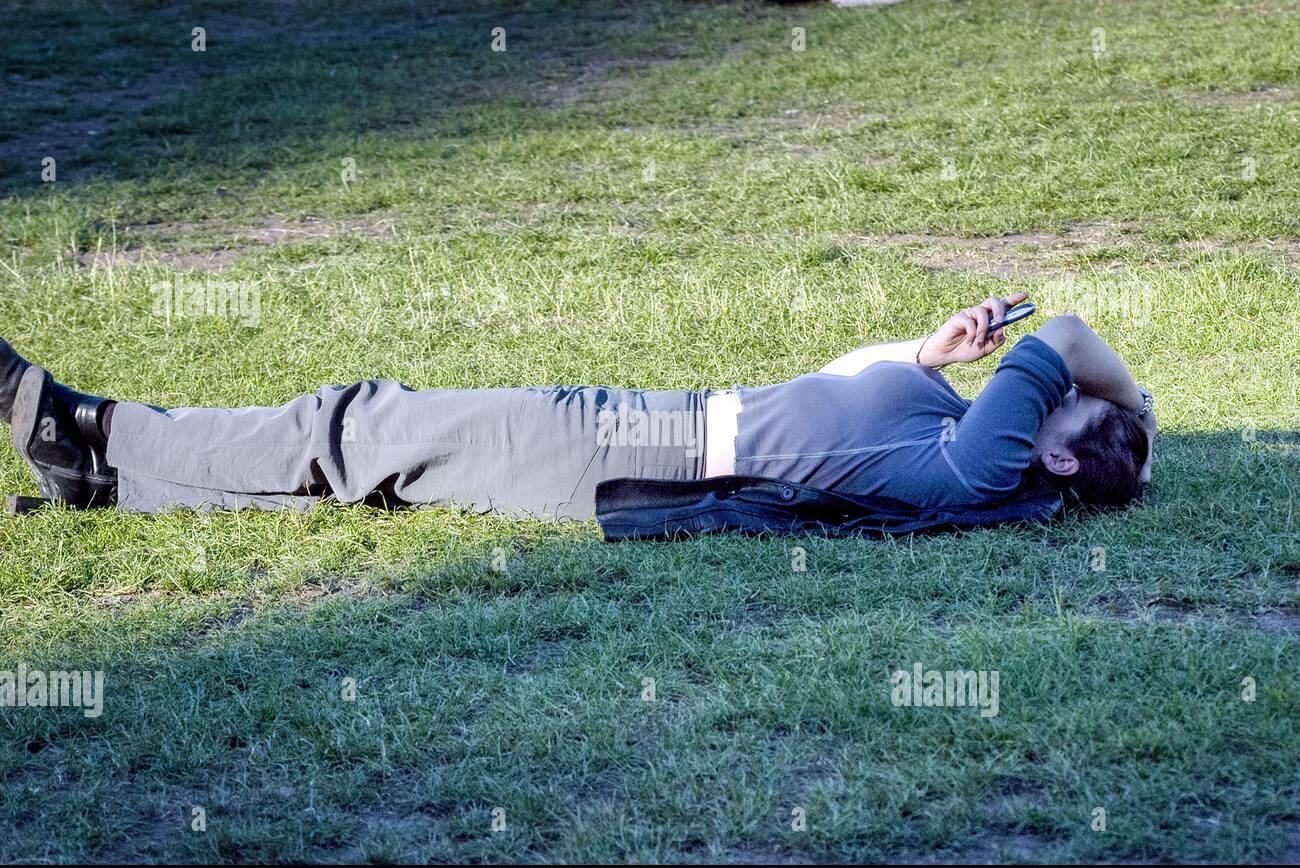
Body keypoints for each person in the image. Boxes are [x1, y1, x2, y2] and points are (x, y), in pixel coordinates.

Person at [0, 292, 1154, 519]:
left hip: (627, 450)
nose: (1021, 395)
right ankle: (105, 473)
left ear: (1049, 461)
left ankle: (85, 428)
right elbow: (829, 398)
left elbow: (1057, 338)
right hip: (634, 420)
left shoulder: (977, 469)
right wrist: (920, 350)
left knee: (352, 427)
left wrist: (1135, 407)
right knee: (364, 453)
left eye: (1045, 414)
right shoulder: (953, 433)